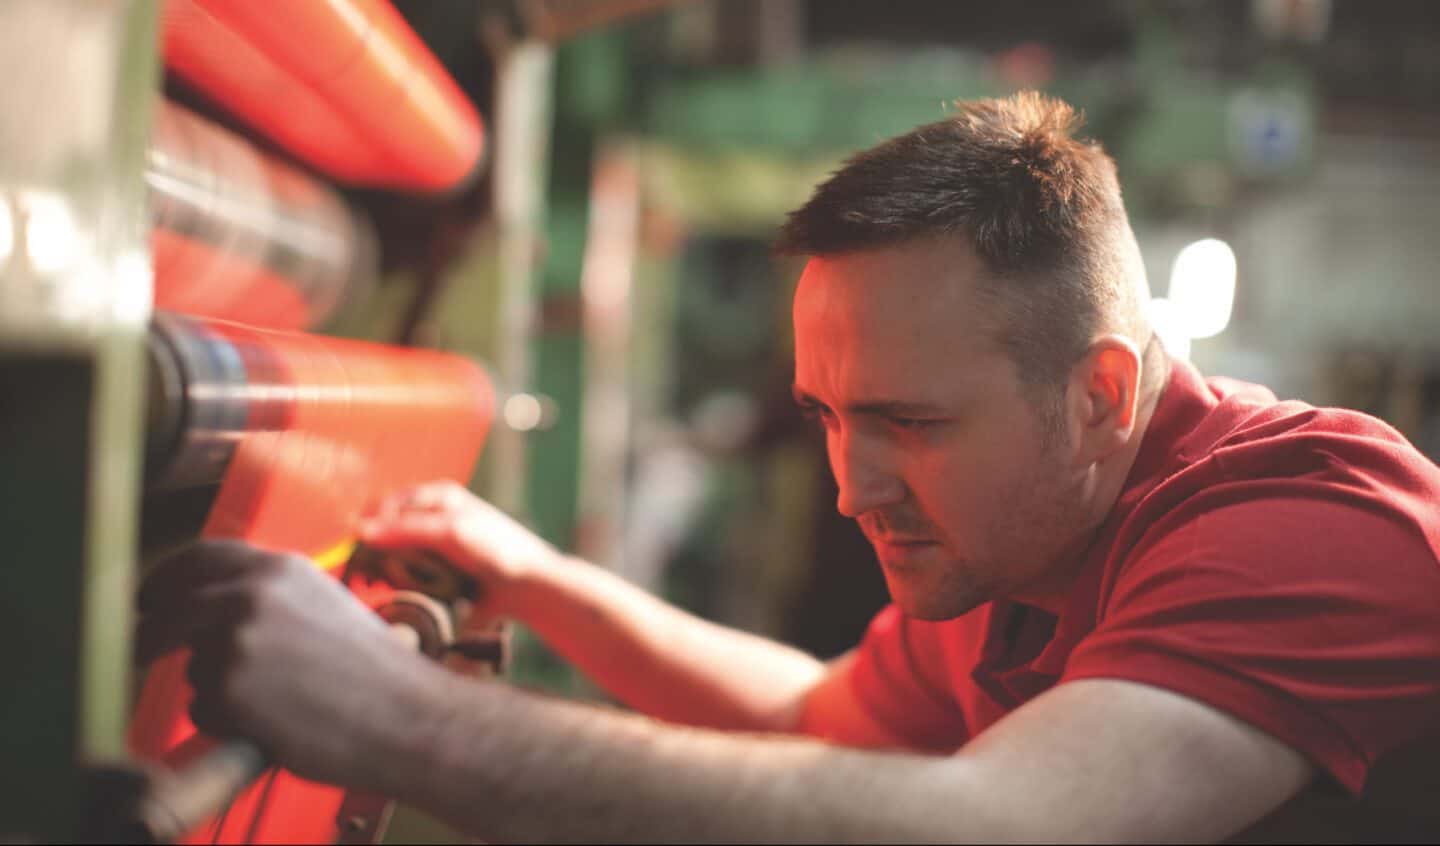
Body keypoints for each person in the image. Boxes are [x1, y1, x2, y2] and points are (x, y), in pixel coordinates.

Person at [137, 91, 1440, 842]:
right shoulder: (1027, 548)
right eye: (824, 413)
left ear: (1100, 391)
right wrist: (536, 579)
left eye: (909, 422)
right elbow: (812, 716)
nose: (849, 484)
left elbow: (993, 827)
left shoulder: (1322, 521)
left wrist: (390, 714)